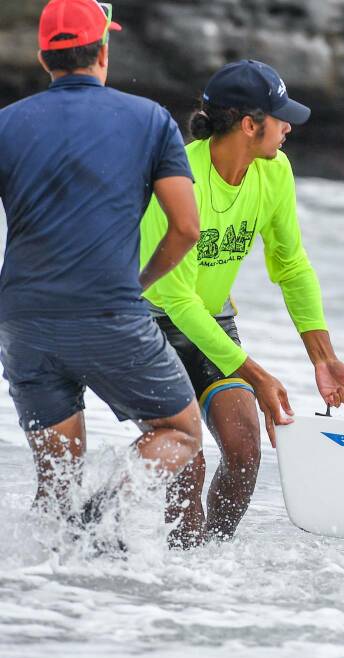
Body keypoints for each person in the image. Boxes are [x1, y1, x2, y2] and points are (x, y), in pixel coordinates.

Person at [139, 60, 344, 546]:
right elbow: (175, 297)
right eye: (280, 117)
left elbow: (291, 265)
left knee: (244, 454)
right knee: (187, 460)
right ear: (248, 124)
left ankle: (211, 568)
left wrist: (323, 358)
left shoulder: (274, 171)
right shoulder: (178, 173)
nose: (288, 127)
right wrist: (258, 376)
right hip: (148, 326)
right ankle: (174, 577)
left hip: (212, 320)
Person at [0, 0, 202, 524]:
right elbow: (186, 227)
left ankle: (49, 594)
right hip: (109, 312)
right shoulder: (150, 120)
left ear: (45, 58)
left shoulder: (7, 124)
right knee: (180, 430)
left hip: (25, 320)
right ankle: (104, 514)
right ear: (104, 51)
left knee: (56, 479)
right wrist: (140, 283)